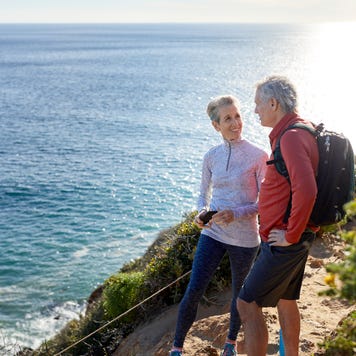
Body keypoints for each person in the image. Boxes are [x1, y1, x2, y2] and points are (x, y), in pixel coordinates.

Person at [169, 95, 268, 356]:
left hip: (246, 238)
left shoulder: (259, 156)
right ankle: (177, 349)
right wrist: (201, 213)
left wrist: (235, 213)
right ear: (216, 126)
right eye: (228, 119)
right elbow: (203, 195)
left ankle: (230, 345)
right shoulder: (211, 157)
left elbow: (263, 203)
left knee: (239, 296)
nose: (236, 123)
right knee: (193, 290)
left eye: (237, 116)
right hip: (213, 233)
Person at [237, 75, 319, 356]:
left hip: (286, 240)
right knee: (286, 299)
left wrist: (290, 234)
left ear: (273, 103)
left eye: (258, 104)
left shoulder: (292, 137)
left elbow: (307, 190)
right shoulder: (298, 130)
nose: (255, 110)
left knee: (246, 304)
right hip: (294, 236)